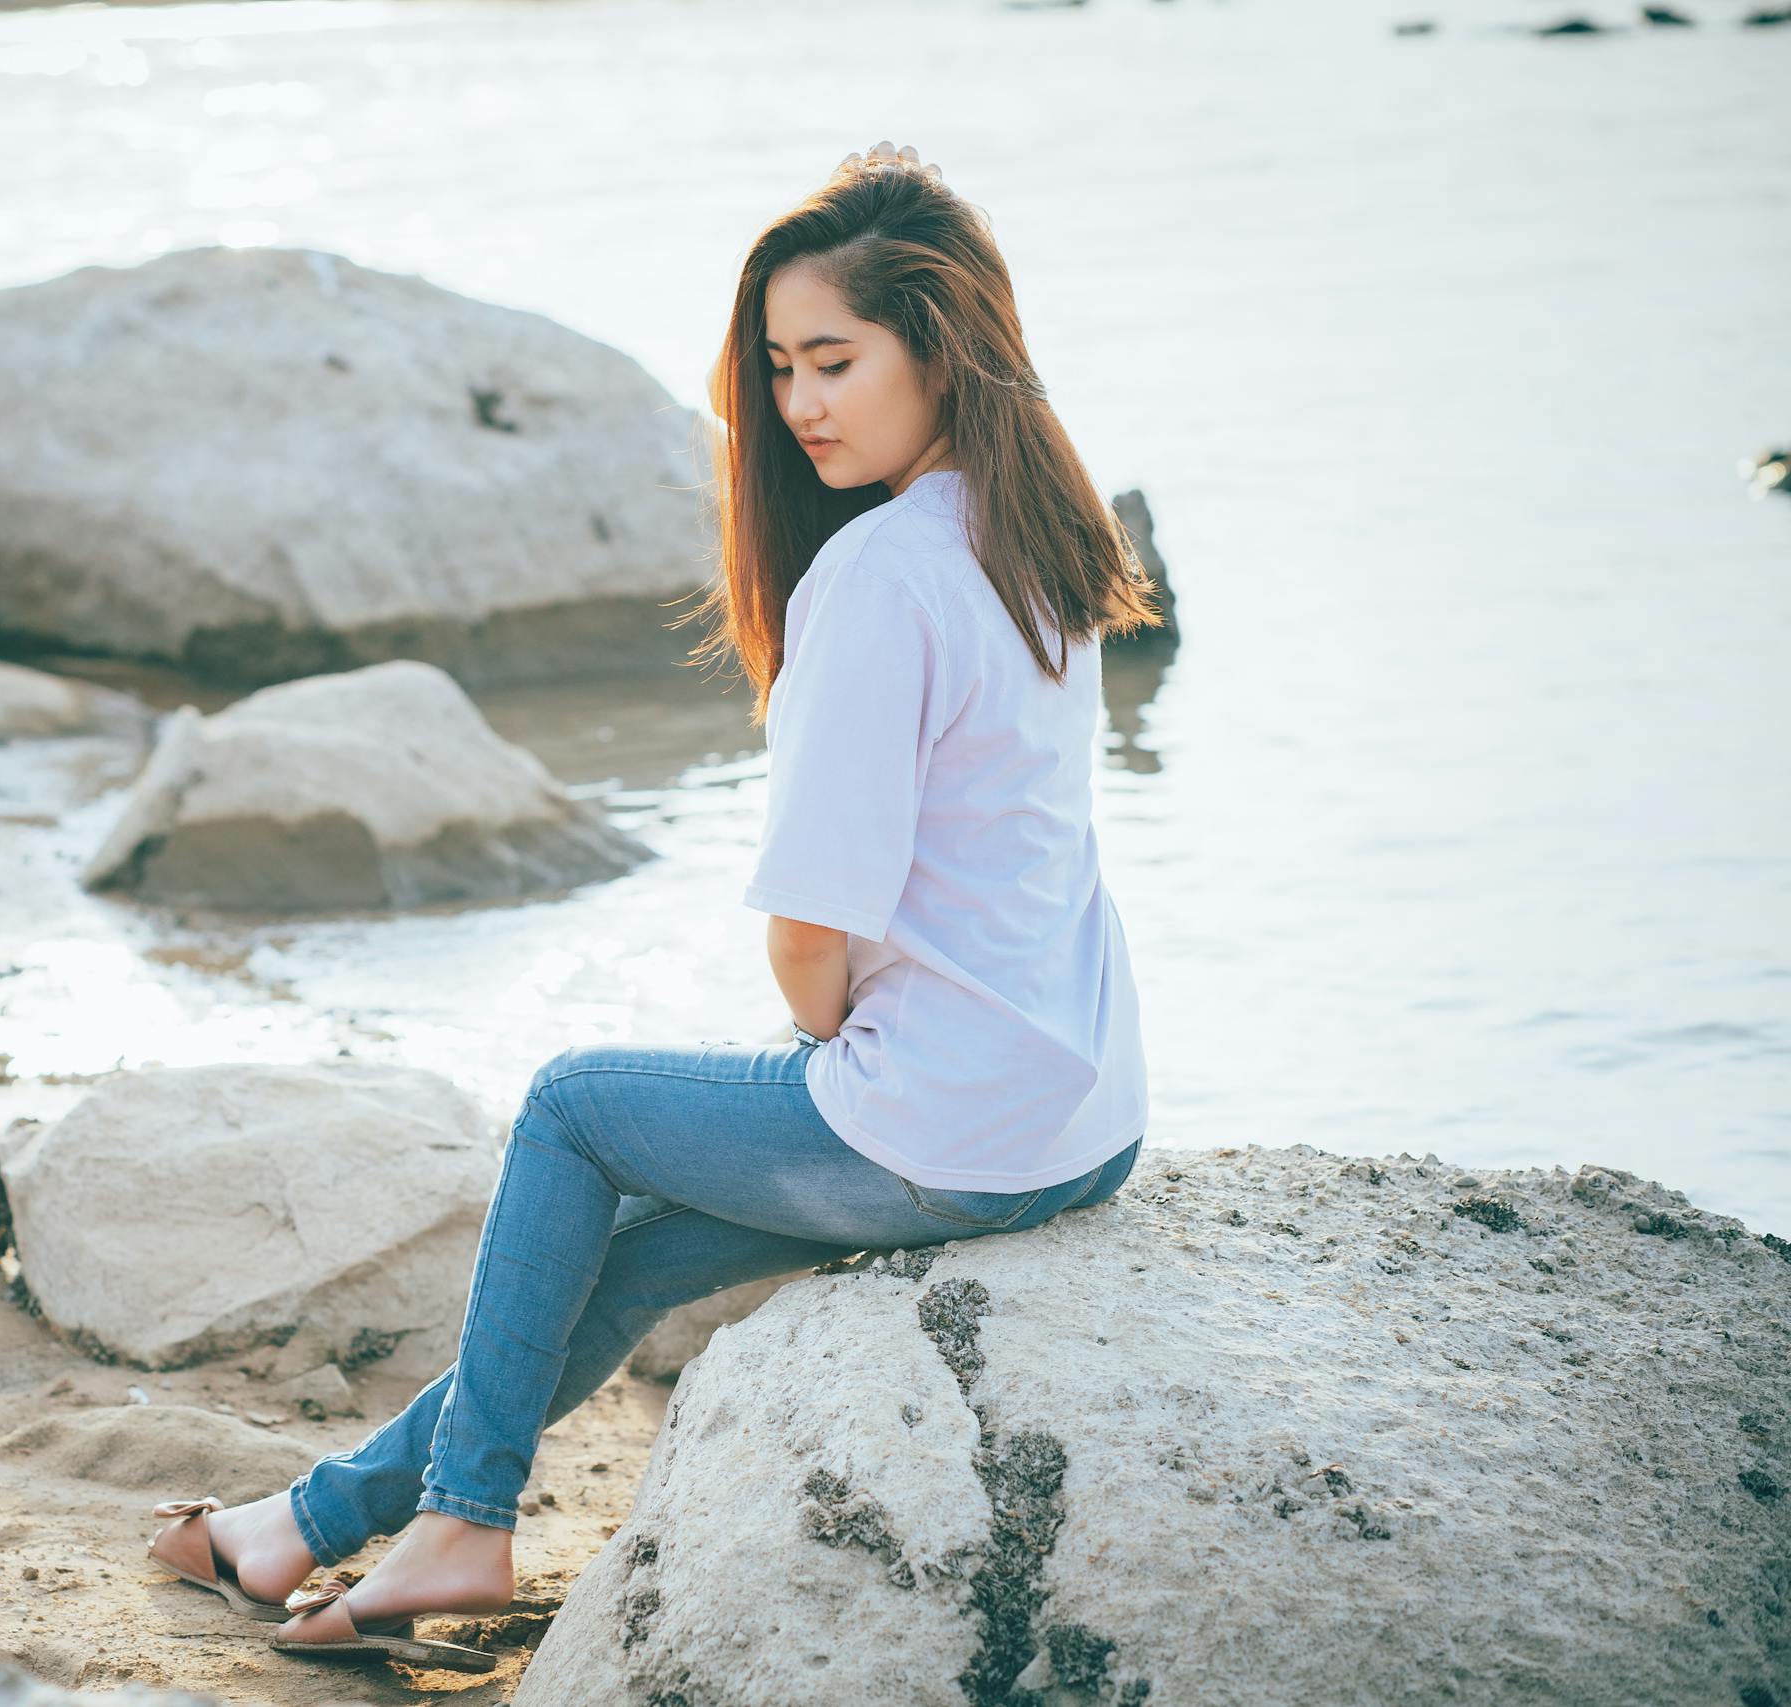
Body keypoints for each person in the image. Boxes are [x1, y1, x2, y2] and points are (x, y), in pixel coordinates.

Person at [145, 139, 1168, 1675]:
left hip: (948, 1127)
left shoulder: (879, 578)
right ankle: (307, 1521)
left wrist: (825, 1041)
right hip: (1080, 1122)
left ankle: (466, 1520)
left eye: (836, 359)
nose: (799, 404)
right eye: (779, 367)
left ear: (941, 348)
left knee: (571, 1109)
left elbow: (810, 943)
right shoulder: (1041, 545)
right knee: (614, 1256)